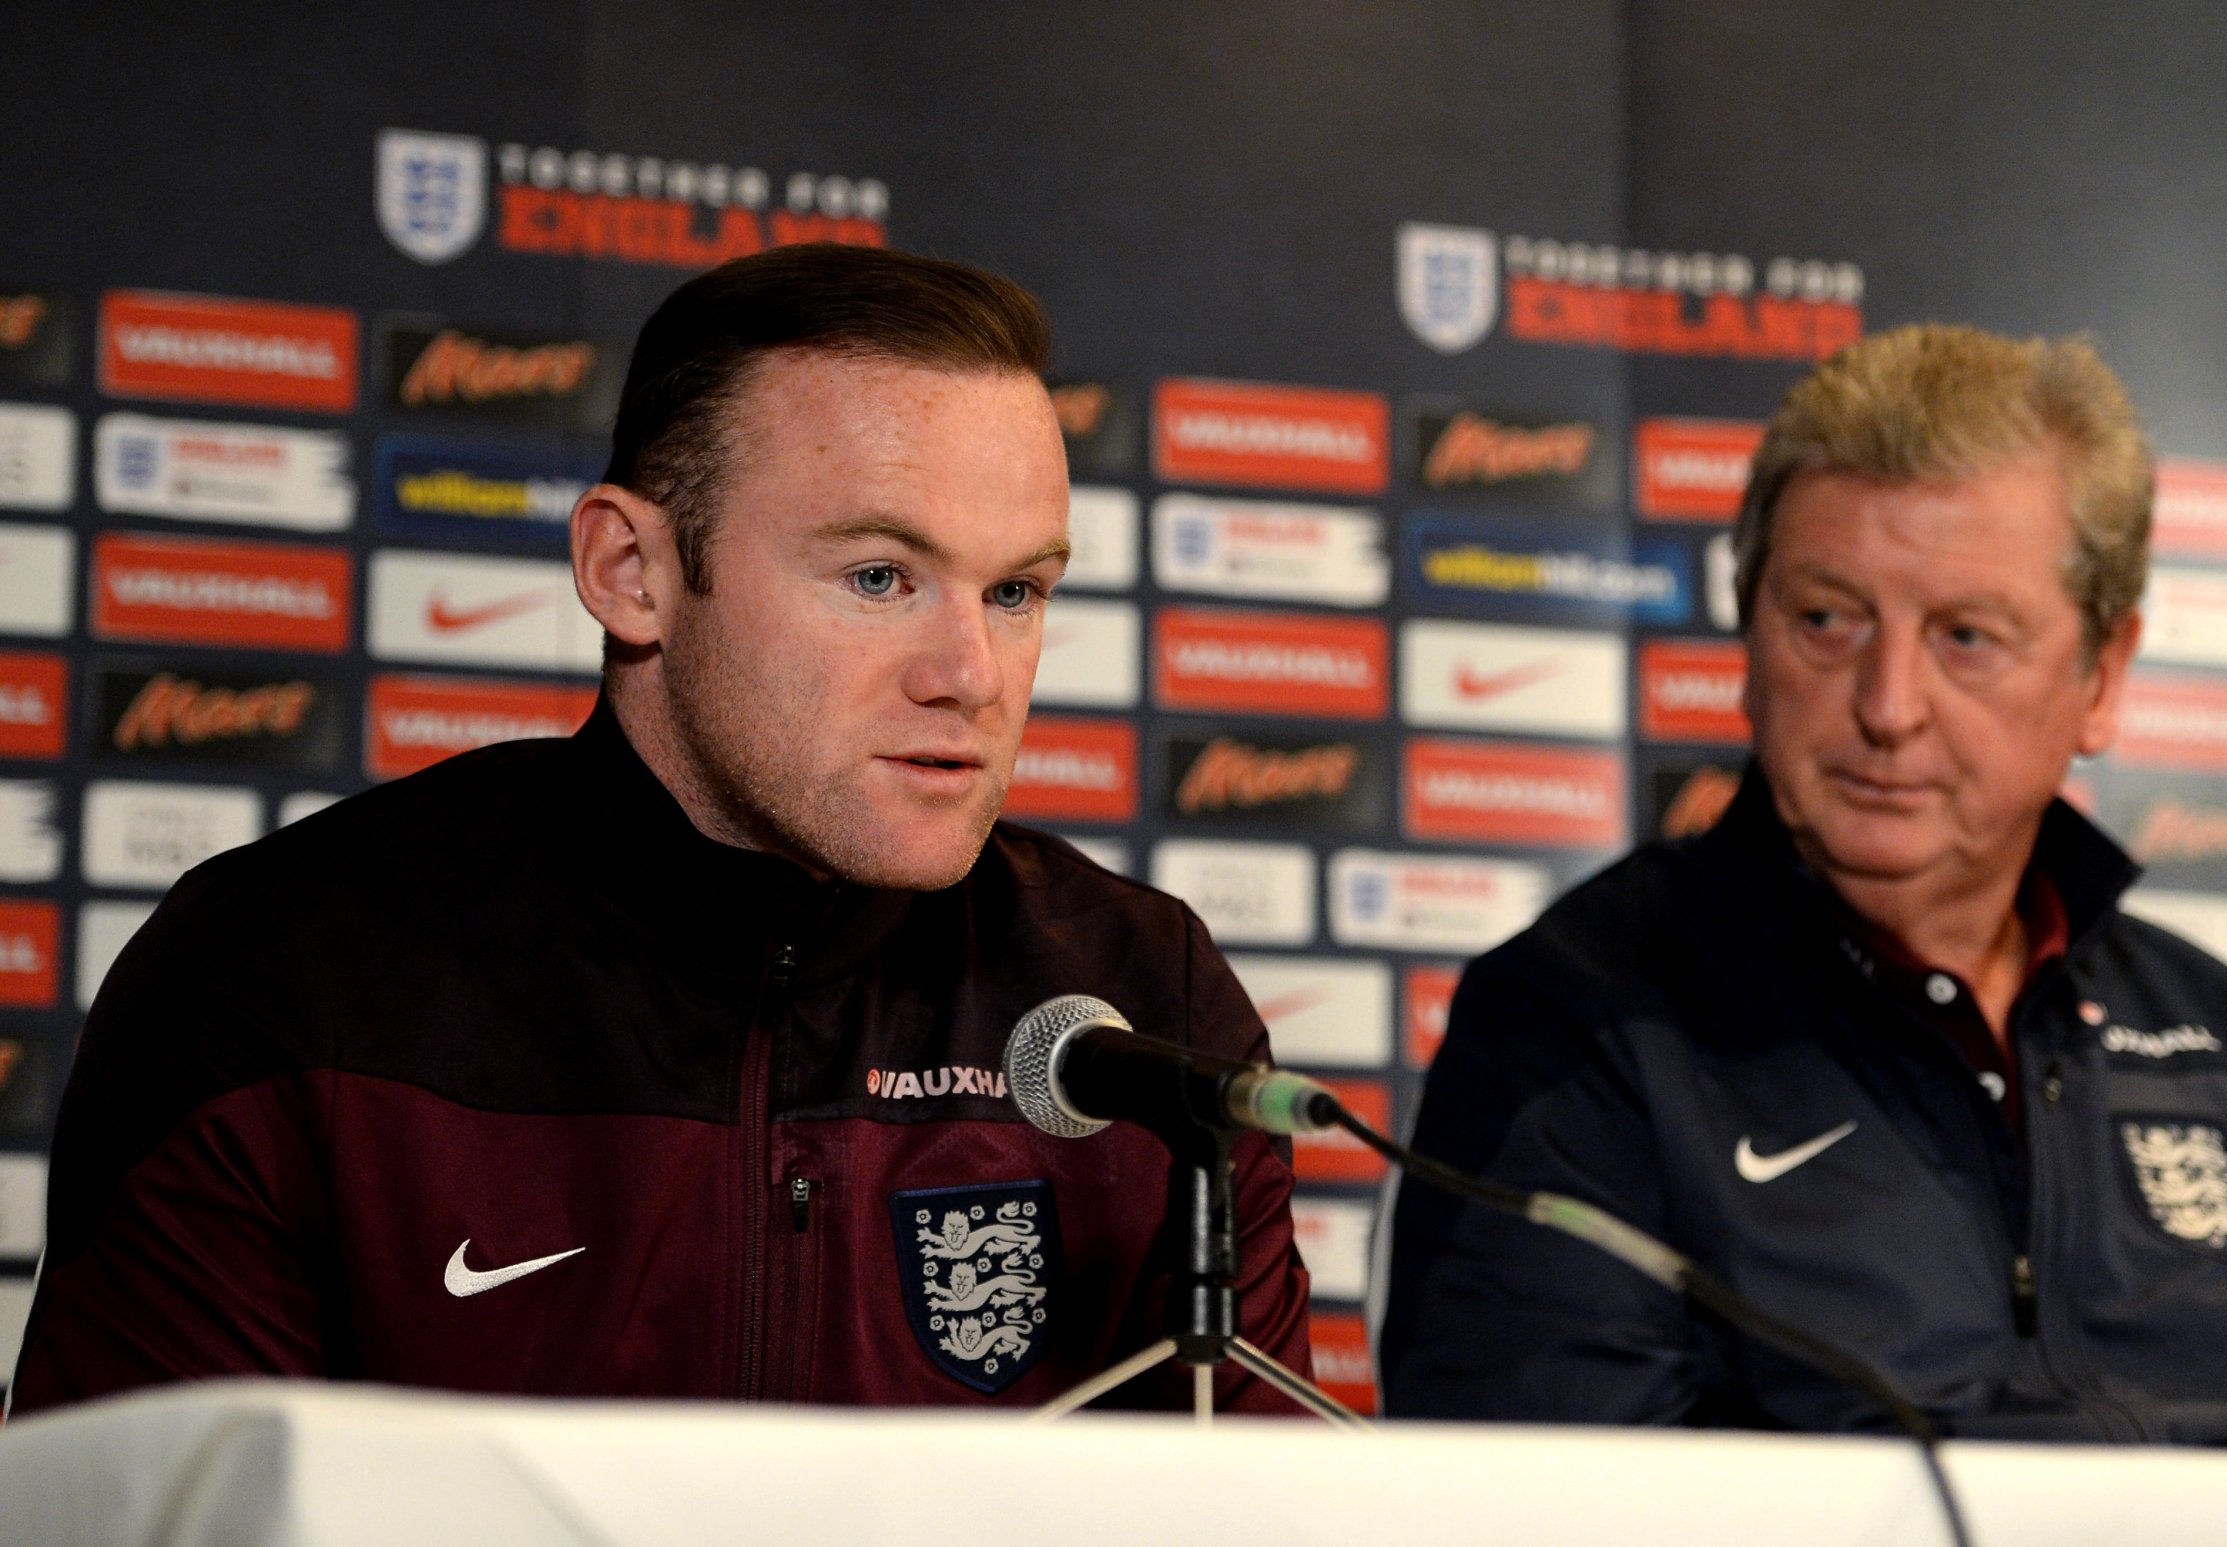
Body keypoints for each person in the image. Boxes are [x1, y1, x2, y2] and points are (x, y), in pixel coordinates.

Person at [9, 244, 1310, 1416]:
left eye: (1017, 589)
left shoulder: (1140, 1003)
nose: (971, 670)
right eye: (878, 577)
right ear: (631, 571)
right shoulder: (289, 976)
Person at [1377, 324, 2227, 1449]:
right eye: (1825, 619)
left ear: (2101, 676)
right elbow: (1544, 1511)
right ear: (1748, 631)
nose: (1887, 704)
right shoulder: (1578, 1024)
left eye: (1965, 636)